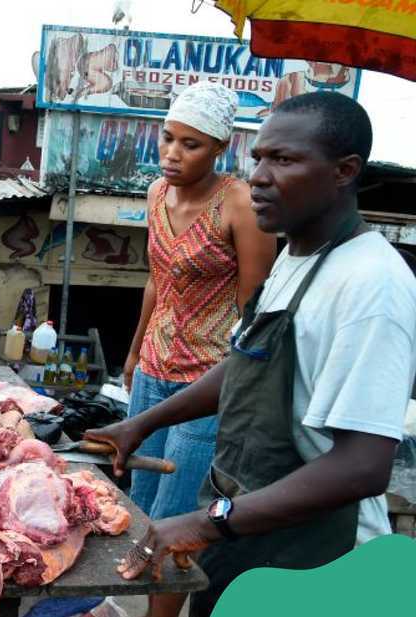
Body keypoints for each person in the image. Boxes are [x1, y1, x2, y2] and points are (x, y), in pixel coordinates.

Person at [87, 92, 416, 616]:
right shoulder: (297, 257)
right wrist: (143, 423)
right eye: (258, 158)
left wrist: (206, 521)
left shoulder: (372, 285)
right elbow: (246, 362)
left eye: (283, 160)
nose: (259, 177)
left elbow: (362, 467)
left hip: (317, 563)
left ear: (344, 171)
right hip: (249, 530)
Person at [119, 82, 276, 617]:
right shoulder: (155, 194)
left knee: (179, 515)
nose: (172, 153)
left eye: (191, 144)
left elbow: (254, 311)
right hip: (152, 372)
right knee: (138, 503)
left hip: (207, 384)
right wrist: (134, 352)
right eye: (168, 138)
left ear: (219, 148)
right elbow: (155, 280)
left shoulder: (240, 204)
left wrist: (245, 386)